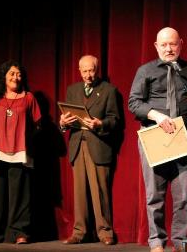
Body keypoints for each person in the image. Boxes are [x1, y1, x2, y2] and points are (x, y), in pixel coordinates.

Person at [128, 27, 187, 252]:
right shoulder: (145, 71)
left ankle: (180, 241)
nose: (168, 48)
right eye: (163, 45)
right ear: (156, 46)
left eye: (172, 44)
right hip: (154, 135)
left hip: (183, 136)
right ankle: (157, 242)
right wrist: (157, 115)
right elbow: (134, 103)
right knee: (155, 194)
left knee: (183, 195)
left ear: (180, 44)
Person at [59, 55, 120, 246]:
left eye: (91, 70)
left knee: (100, 191)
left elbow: (115, 120)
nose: (88, 75)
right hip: (78, 144)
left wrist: (99, 123)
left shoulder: (109, 90)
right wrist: (62, 124)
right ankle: (80, 232)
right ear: (79, 71)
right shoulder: (72, 90)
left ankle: (104, 232)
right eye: (84, 71)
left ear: (97, 69)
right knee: (80, 193)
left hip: (98, 144)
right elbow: (67, 117)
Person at [0, 60, 41, 244]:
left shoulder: (29, 98)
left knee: (20, 197)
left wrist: (27, 142)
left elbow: (38, 125)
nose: (16, 77)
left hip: (20, 153)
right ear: (4, 77)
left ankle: (19, 233)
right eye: (12, 73)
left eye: (18, 74)